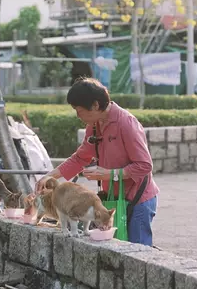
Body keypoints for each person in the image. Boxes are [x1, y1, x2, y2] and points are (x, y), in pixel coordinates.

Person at [35, 77, 159, 246]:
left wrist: (110, 174)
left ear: (95, 105)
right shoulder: (94, 125)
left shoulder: (126, 124)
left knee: (138, 253)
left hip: (137, 200)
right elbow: (80, 157)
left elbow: (145, 165)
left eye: (79, 110)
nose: (78, 115)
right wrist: (49, 177)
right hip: (113, 199)